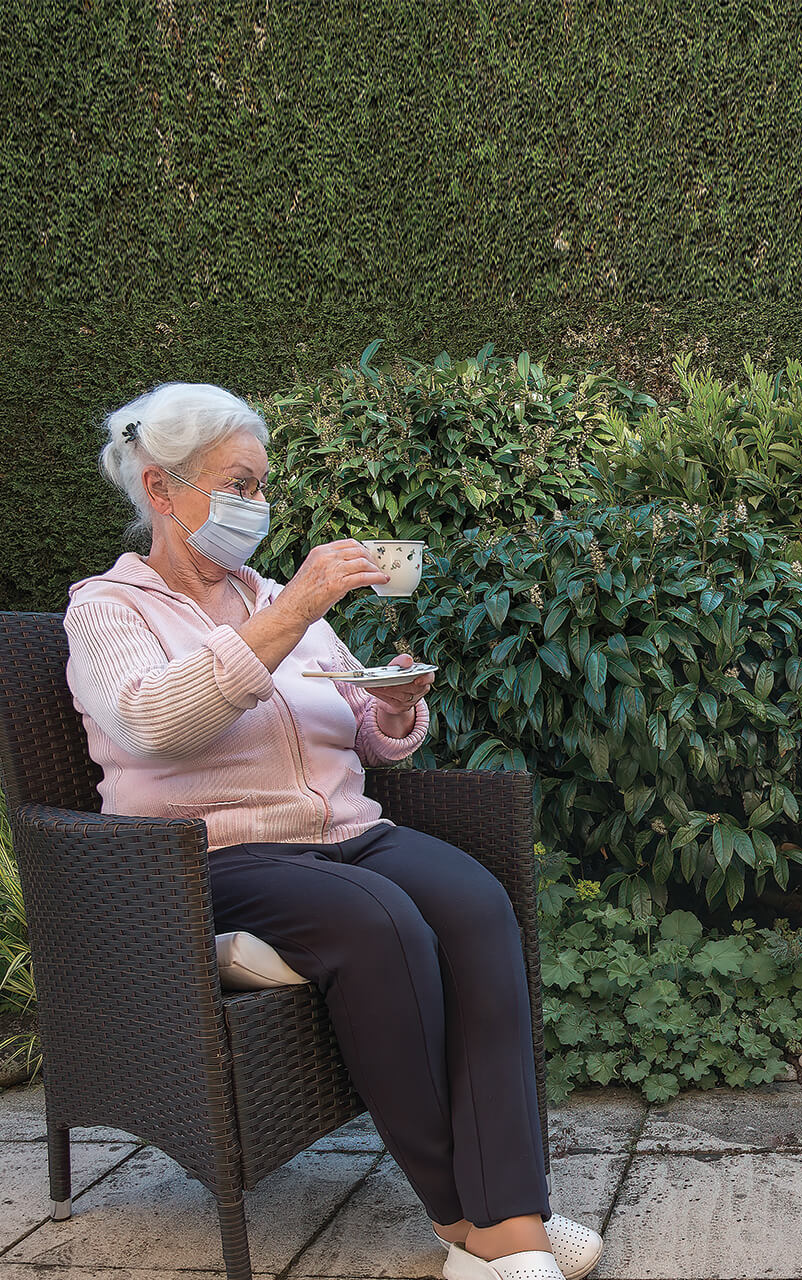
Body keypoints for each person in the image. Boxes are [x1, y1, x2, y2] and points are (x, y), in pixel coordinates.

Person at [64, 382, 600, 1280]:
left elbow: (358, 731)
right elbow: (155, 724)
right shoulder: (109, 610)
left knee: (477, 906)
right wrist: (290, 614)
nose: (258, 507)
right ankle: (462, 1224)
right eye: (239, 484)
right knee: (379, 921)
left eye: (263, 487)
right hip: (212, 854)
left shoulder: (274, 597)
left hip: (346, 831)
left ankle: (512, 1221)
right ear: (163, 490)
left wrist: (393, 710)